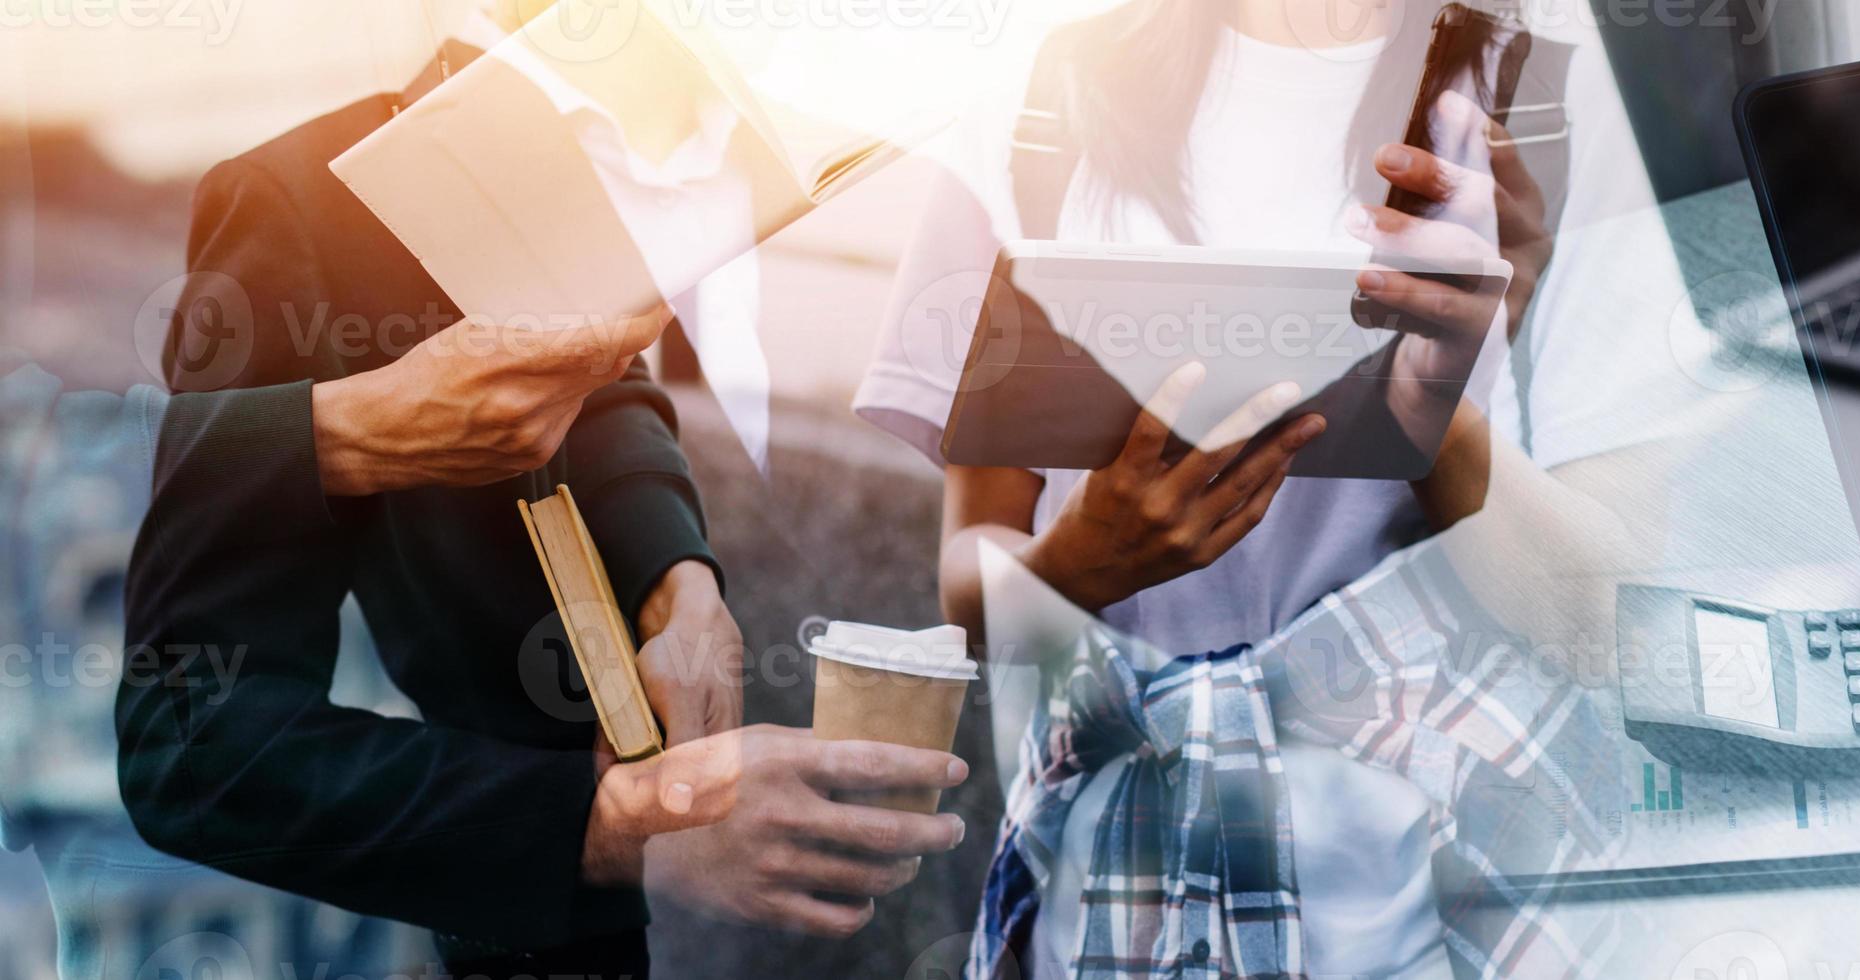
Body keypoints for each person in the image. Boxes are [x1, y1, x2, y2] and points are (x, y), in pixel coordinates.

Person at [856, 0, 1721, 975]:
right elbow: (971, 576)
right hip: (1119, 892)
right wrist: (1080, 560)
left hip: (1446, 886)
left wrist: (1425, 408)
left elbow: (1600, 612)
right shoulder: (1030, 96)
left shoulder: (1549, 96)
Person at [111, 3, 968, 974]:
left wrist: (675, 576)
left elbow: (604, 379)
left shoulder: (799, 138)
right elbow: (188, 742)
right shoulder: (303, 201)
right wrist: (605, 822)